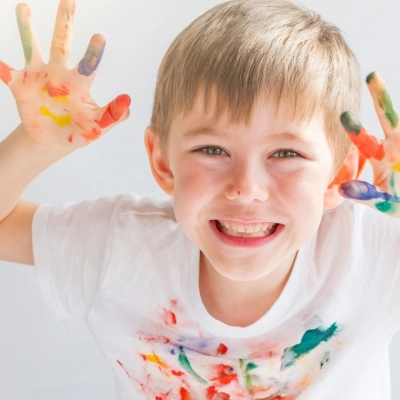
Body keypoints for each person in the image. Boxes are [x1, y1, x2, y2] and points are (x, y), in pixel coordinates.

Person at [0, 0, 399, 398]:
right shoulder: (121, 250)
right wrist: (35, 146)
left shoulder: (373, 253)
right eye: (212, 150)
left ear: (341, 173)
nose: (246, 187)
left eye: (285, 154)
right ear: (163, 163)